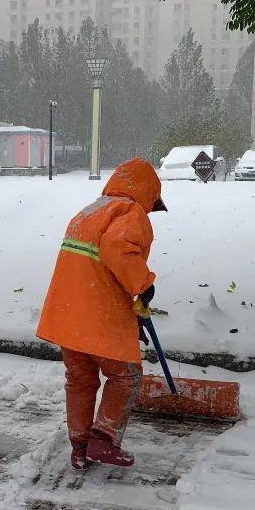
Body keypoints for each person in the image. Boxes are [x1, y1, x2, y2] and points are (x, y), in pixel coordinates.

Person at [35, 157, 166, 470]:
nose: (150, 209)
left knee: (80, 380)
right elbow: (117, 247)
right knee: (126, 376)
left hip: (68, 315)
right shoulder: (129, 211)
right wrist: (143, 284)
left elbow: (95, 262)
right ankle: (103, 439)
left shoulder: (91, 210)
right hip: (99, 315)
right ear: (147, 191)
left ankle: (79, 446)